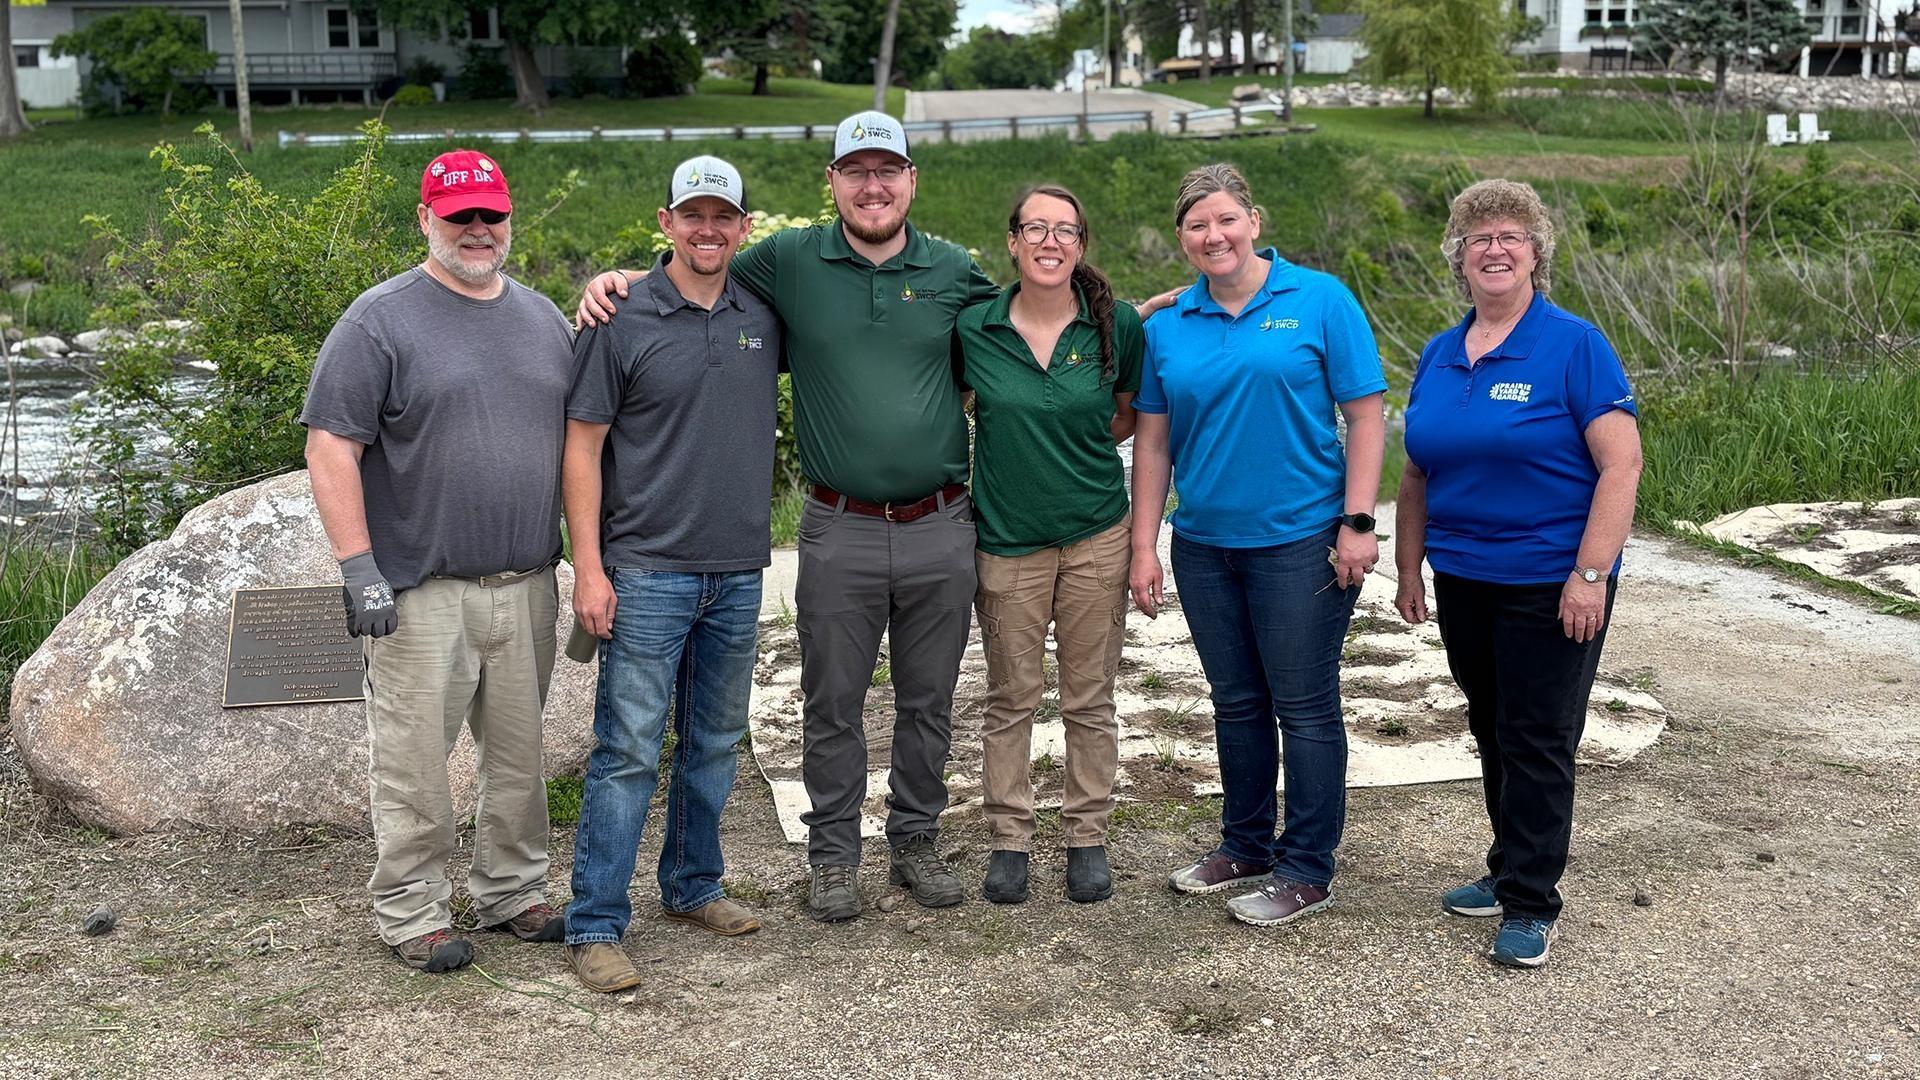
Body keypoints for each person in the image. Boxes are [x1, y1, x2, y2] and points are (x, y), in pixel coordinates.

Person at [577, 112, 998, 922]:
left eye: (888, 170)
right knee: (832, 700)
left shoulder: (952, 268)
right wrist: (609, 282)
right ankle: (834, 855)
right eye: (855, 171)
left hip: (941, 520)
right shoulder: (790, 259)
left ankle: (915, 841)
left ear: (912, 180)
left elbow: (1028, 323)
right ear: (831, 183)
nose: (872, 186)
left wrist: (1118, 313)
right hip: (837, 523)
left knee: (929, 697)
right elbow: (693, 264)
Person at [301, 149, 572, 972]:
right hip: (420, 591)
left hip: (526, 580)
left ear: (509, 219)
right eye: (460, 218)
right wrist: (358, 568)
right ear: (426, 220)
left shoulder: (544, 318)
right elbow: (330, 447)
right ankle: (410, 908)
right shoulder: (379, 320)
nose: (478, 231)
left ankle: (510, 890)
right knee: (417, 764)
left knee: (520, 759)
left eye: (491, 215)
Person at [1128, 162, 1387, 929]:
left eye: (1227, 220)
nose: (1215, 236)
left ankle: (1308, 867)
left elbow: (1367, 416)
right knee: (1236, 703)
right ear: (1183, 238)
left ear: (1255, 220)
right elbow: (1151, 443)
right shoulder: (1168, 325)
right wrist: (1146, 546)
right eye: (1198, 226)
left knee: (1303, 707)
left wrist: (1359, 521)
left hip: (1301, 542)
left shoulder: (1320, 300)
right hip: (1205, 545)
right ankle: (1244, 844)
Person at [1393, 178, 1643, 969]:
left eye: (1510, 235)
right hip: (1465, 576)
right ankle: (1505, 872)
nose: (1493, 249)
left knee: (1538, 739)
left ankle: (1533, 901)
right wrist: (1408, 566)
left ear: (1537, 253)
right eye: (1478, 238)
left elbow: (1622, 464)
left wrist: (1591, 573)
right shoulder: (1440, 351)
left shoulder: (1574, 345)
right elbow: (1417, 473)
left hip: (1551, 581)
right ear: (1459, 259)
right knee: (1492, 729)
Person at [559, 156, 781, 993]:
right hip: (646, 570)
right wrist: (590, 567)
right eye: (692, 215)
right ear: (666, 223)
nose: (708, 229)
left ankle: (693, 885)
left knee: (716, 742)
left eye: (723, 216)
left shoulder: (764, 313)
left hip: (738, 569)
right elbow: (581, 446)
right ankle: (595, 923)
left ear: (743, 228)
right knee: (626, 752)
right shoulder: (619, 317)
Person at [956, 185, 1144, 905]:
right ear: (1012, 242)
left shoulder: (1116, 326)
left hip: (1097, 535)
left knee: (1089, 697)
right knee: (1010, 697)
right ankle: (1009, 837)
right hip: (1006, 542)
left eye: (1065, 230)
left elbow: (1127, 414)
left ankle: (1086, 835)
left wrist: (1067, 454)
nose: (1050, 240)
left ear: (1081, 246)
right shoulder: (976, 327)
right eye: (1036, 227)